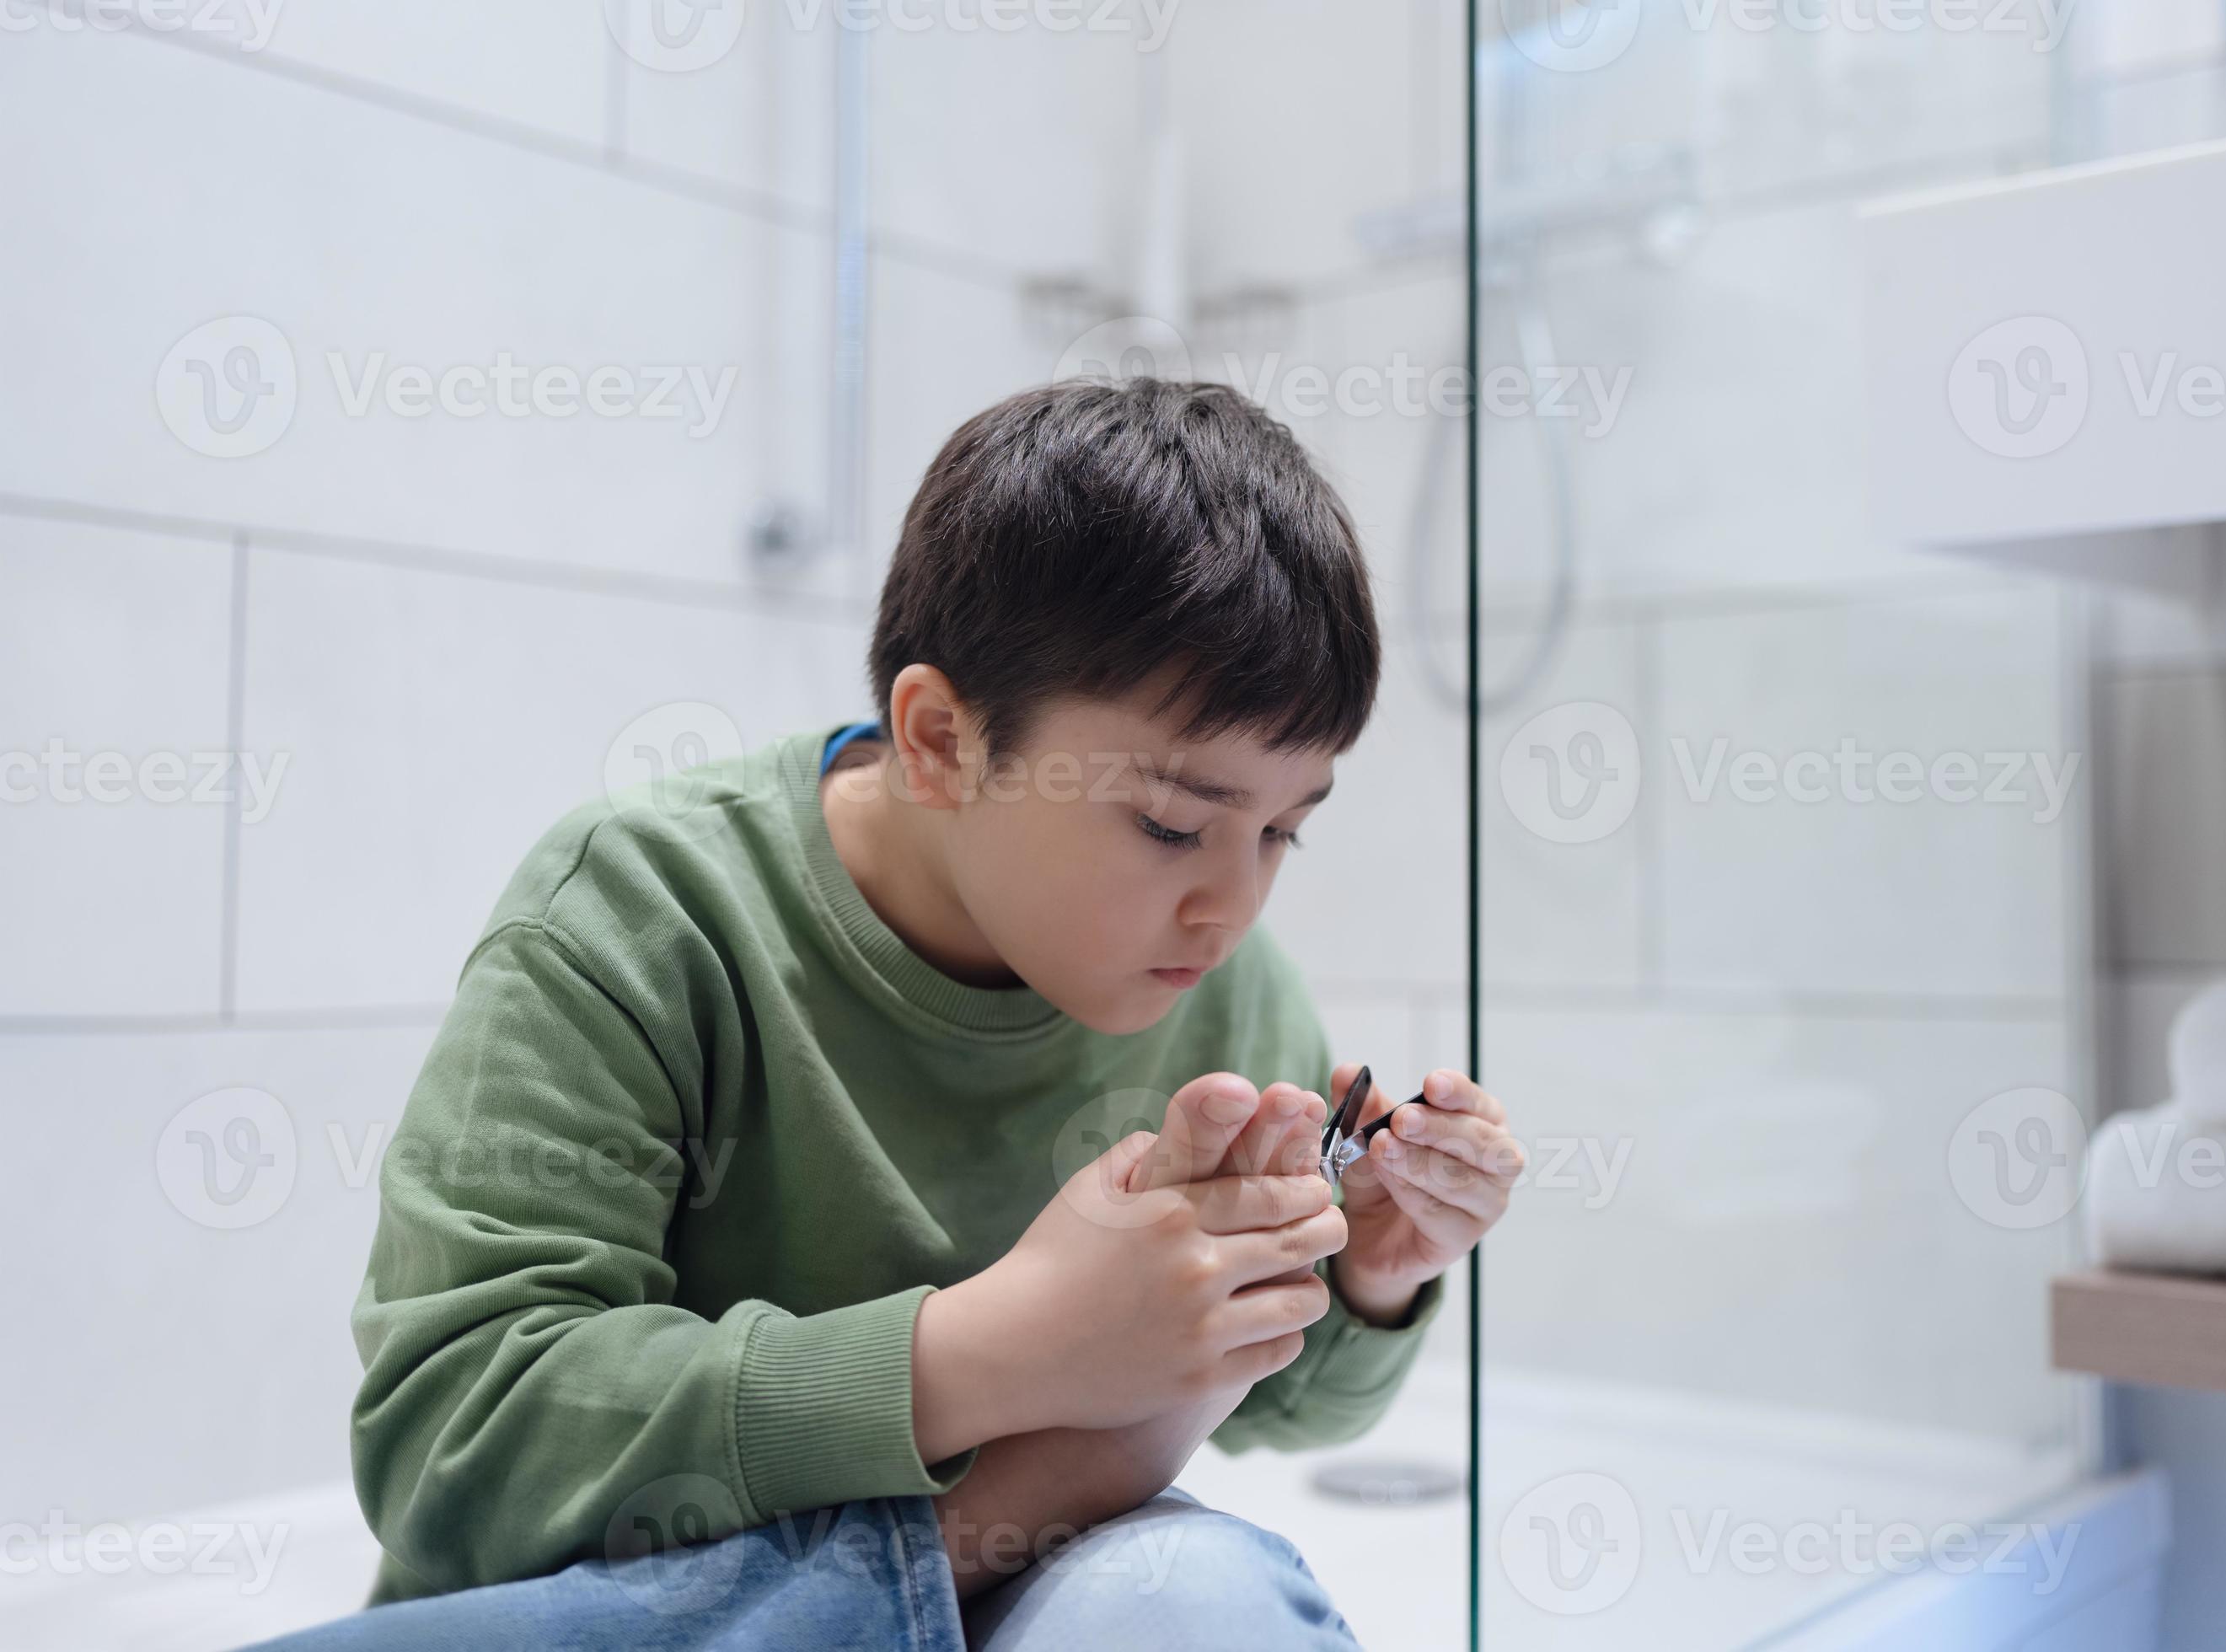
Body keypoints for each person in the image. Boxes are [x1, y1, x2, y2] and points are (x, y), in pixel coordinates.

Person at [257, 378, 1524, 1649]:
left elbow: (1282, 1411)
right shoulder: (648, 912)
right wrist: (983, 1352)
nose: (1230, 905)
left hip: (1017, 1590)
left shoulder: (1221, 987)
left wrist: (1363, 1277)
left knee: (1194, 1606)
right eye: (1171, 826)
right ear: (937, 740)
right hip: (627, 1607)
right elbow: (453, 1455)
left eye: (1283, 833)